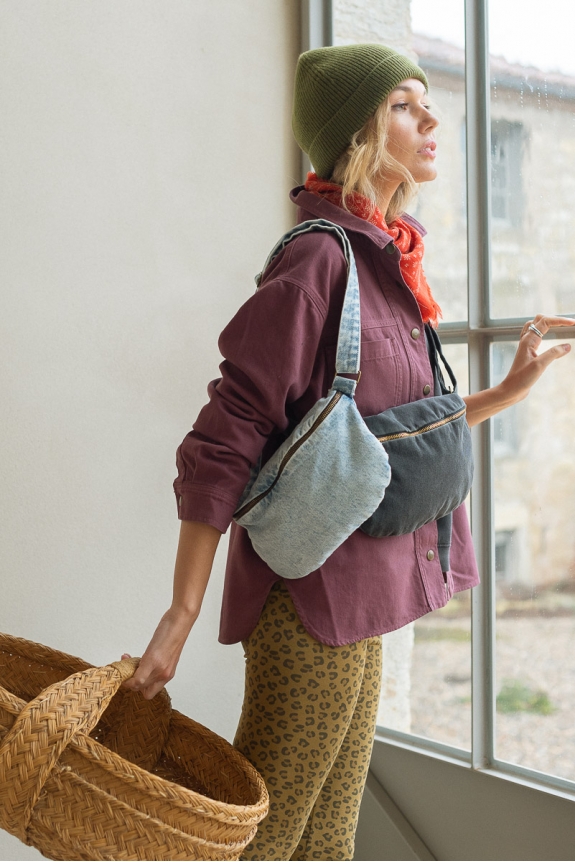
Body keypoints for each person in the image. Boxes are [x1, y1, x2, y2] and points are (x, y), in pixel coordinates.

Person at [121, 44, 575, 860]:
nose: (431, 118)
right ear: (357, 133)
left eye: (425, 102)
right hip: (311, 603)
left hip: (362, 597)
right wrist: (180, 613)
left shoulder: (386, 259)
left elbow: (387, 432)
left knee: (327, 839)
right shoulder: (318, 260)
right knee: (266, 841)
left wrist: (503, 396)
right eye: (404, 105)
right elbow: (225, 435)